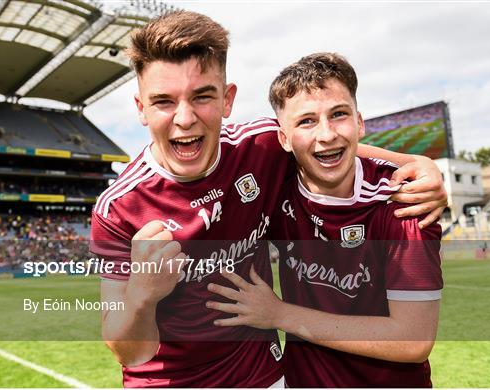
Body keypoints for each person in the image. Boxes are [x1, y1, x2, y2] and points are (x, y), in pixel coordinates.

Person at [90, 11, 447, 388]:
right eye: (163, 101)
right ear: (140, 108)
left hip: (264, 376)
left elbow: (319, 143)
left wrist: (419, 164)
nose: (184, 118)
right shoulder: (118, 208)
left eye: (202, 96)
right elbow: (125, 350)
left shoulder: (260, 148)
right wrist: (141, 296)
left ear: (227, 100)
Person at [207, 53, 442, 387]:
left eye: (339, 114)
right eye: (306, 121)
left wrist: (279, 314)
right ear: (284, 139)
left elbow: (413, 340)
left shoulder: (403, 202)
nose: (327, 134)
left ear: (359, 122)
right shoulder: (275, 190)